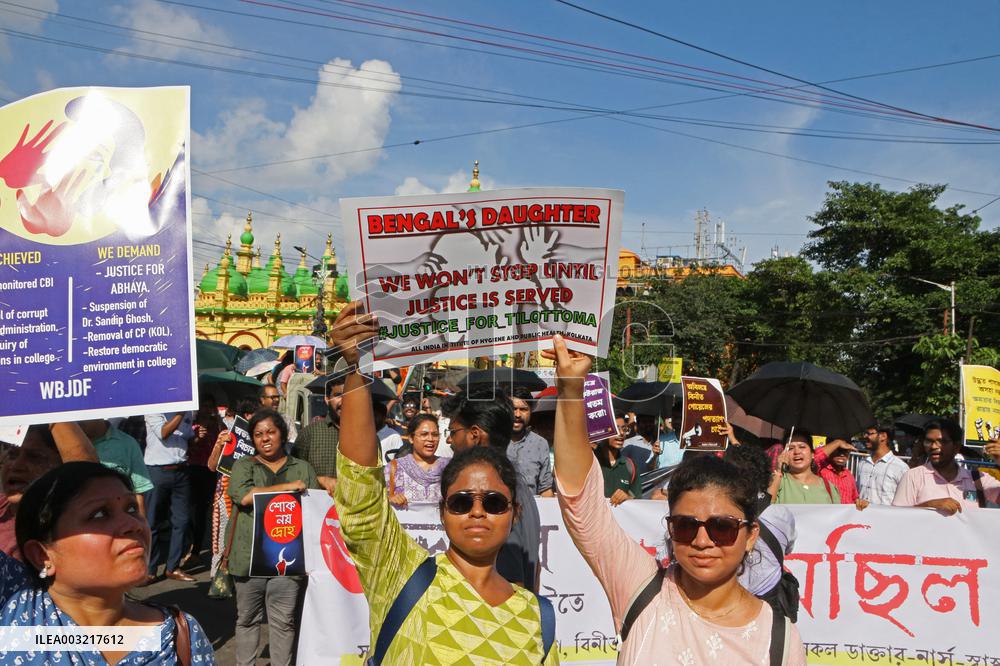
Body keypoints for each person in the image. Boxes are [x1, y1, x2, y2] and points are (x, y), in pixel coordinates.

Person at [545, 335, 804, 663]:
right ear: (669, 527)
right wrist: (570, 390)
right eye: (684, 525)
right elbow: (581, 503)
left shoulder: (779, 637)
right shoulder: (641, 588)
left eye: (721, 527)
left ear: (751, 534)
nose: (701, 540)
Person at [330, 302, 557, 665]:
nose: (478, 511)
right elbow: (361, 495)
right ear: (443, 509)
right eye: (462, 501)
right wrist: (356, 369)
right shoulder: (403, 577)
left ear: (514, 512)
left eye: (494, 502)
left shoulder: (538, 618)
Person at [0, 462, 215, 664]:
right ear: (42, 555)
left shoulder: (178, 637)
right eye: (100, 514)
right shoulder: (13, 605)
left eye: (132, 508)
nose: (133, 524)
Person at [227, 408, 318, 666]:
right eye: (258, 435)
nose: (265, 438)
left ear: (283, 434)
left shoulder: (302, 468)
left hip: (289, 562)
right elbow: (244, 496)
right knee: (247, 619)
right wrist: (288, 488)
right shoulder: (244, 466)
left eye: (270, 432)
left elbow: (315, 509)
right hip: (247, 560)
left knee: (284, 622)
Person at [444, 388, 542, 591]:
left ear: (475, 435)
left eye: (453, 432)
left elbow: (510, 578)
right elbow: (535, 568)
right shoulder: (515, 484)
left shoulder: (499, 495)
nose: (449, 440)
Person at [1, 423, 98, 560]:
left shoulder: (66, 523)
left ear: (61, 465)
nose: (16, 466)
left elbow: (86, 472)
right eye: (12, 454)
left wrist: (49, 408)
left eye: (34, 457)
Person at [892, 420, 1000, 514]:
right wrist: (927, 507)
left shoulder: (977, 479)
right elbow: (897, 517)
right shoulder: (913, 477)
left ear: (956, 447)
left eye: (942, 442)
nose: (934, 446)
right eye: (929, 441)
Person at [143, 410, 196, 583]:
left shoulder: (189, 411)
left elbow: (186, 438)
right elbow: (163, 433)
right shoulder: (154, 409)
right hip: (157, 471)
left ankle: (172, 567)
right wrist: (180, 413)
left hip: (181, 471)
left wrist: (197, 436)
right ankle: (150, 570)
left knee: (182, 521)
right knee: (152, 522)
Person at [78, 418, 154, 515]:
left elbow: (139, 491)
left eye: (81, 416)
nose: (77, 421)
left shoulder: (127, 444)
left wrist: (141, 524)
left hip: (118, 521)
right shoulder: (63, 445)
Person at [292, 376, 343, 495]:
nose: (344, 401)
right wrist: (320, 480)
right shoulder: (310, 434)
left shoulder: (368, 437)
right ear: (327, 399)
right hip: (319, 509)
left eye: (350, 395)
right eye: (338, 395)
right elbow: (293, 475)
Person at [386, 414, 451, 507]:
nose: (431, 439)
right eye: (424, 434)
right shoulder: (394, 467)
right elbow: (380, 501)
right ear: (411, 438)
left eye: (435, 435)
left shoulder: (449, 467)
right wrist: (390, 498)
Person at [771, 430, 841, 504]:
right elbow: (764, 509)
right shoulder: (778, 482)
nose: (797, 452)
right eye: (791, 448)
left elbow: (839, 513)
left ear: (812, 454)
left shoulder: (828, 487)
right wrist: (778, 471)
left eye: (802, 447)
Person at [508, 386, 555, 496]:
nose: (518, 415)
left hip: (530, 510)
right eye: (513, 409)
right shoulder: (493, 440)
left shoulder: (540, 444)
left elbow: (545, 489)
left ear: (531, 411)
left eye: (523, 409)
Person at [856, 424, 909, 507]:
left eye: (869, 434)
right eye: (865, 433)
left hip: (886, 518)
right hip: (862, 518)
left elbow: (906, 500)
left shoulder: (900, 467)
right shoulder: (862, 463)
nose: (865, 436)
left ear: (883, 436)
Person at [594, 416, 641, 505]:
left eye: (624, 428)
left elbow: (638, 500)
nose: (621, 433)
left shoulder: (630, 465)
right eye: (615, 428)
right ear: (601, 430)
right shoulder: (590, 462)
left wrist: (628, 497)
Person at [812, 438, 859, 504]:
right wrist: (838, 442)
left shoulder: (848, 474)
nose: (842, 454)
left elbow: (855, 498)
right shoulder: (821, 469)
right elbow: (815, 457)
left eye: (846, 451)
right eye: (838, 450)